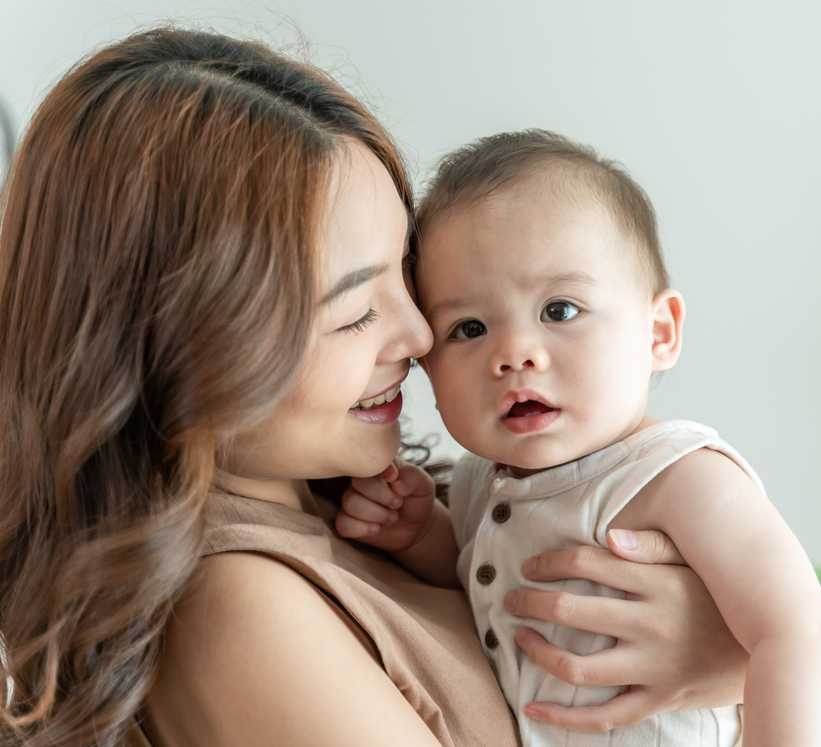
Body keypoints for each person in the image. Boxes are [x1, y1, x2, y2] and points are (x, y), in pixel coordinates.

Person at [0, 27, 752, 747]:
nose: (421, 337)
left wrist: (729, 652)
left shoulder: (389, 505)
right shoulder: (243, 610)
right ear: (181, 342)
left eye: (405, 272)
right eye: (357, 312)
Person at [339, 130, 821, 746]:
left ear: (658, 332)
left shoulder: (679, 477)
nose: (514, 354)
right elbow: (486, 583)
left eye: (559, 310)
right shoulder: (476, 482)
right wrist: (421, 537)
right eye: (468, 327)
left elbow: (799, 632)